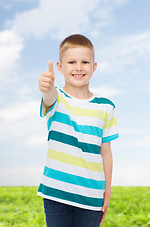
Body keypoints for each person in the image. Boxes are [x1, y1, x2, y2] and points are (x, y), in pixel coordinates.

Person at [38, 34, 119, 227]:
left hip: (91, 195)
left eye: (84, 62)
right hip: (56, 192)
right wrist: (46, 88)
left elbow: (106, 152)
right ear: (60, 67)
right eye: (71, 62)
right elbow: (49, 97)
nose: (78, 67)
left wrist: (107, 190)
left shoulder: (106, 106)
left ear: (94, 66)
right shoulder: (57, 98)